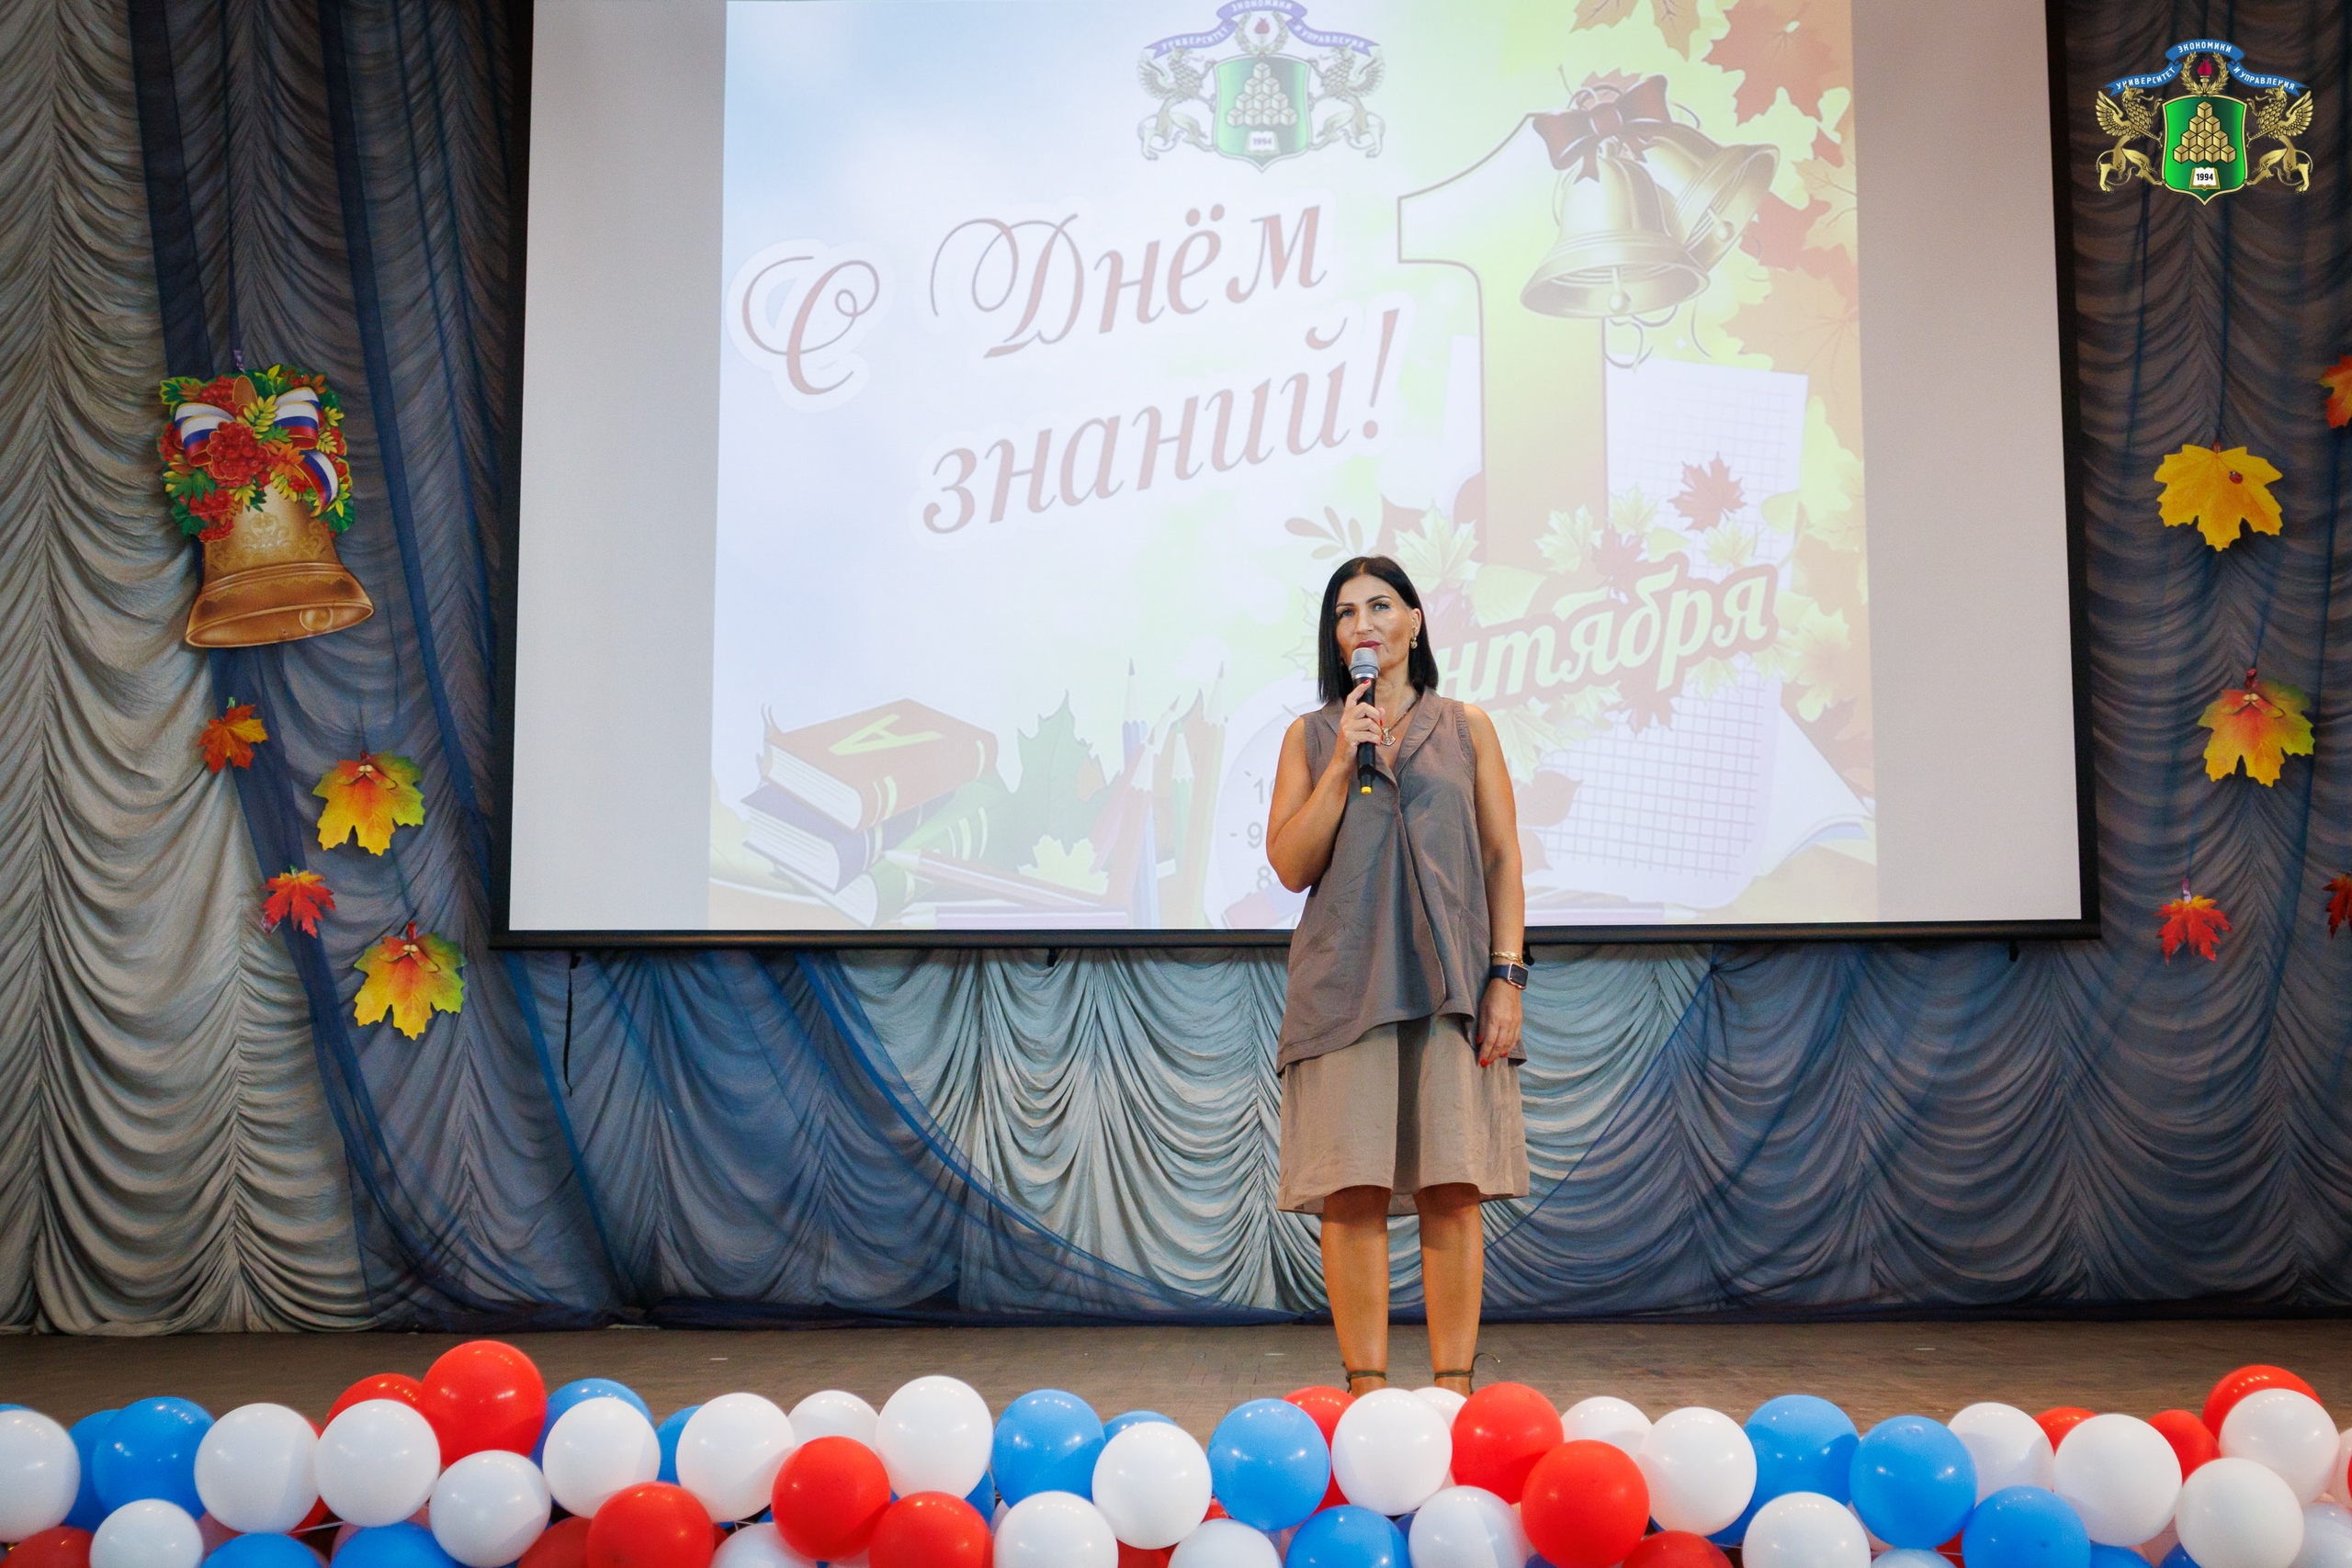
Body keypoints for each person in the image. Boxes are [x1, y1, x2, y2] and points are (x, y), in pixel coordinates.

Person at [1265, 555, 1531, 1399]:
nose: (1364, 625)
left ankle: (1454, 1395)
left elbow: (1502, 856)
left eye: (1380, 606)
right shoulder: (1311, 735)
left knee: (1453, 1186)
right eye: (1346, 613)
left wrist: (1507, 975)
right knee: (1353, 1192)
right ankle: (1368, 1397)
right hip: (1345, 990)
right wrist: (1341, 762)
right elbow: (1290, 864)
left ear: (1415, 621)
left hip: (1451, 986)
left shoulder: (1468, 727)